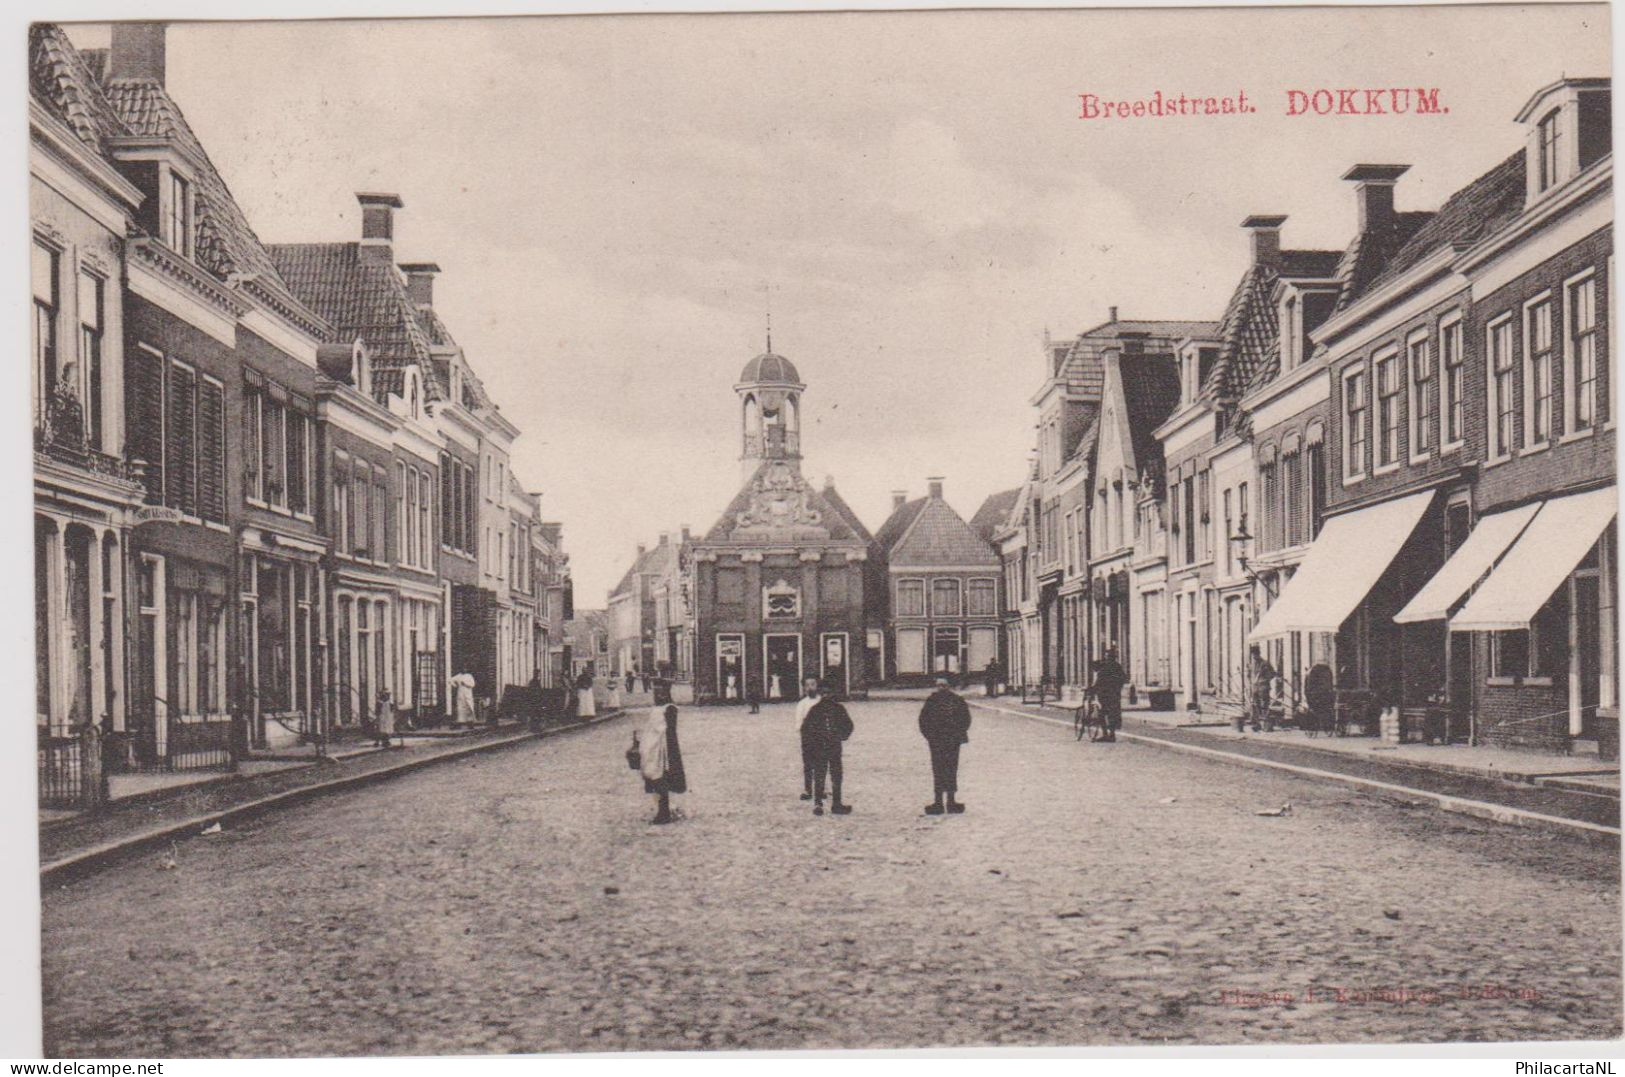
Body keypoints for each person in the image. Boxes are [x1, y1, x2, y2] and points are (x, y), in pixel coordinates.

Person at [918, 677, 972, 815]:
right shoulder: (931, 701)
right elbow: (923, 720)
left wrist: (958, 733)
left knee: (951, 769)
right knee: (938, 770)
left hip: (952, 741)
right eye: (938, 685)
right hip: (936, 741)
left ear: (949, 686)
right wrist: (930, 736)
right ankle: (938, 802)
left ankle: (951, 801)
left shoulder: (957, 701)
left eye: (944, 685)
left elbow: (966, 719)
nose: (941, 688)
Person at [803, 685, 854, 816]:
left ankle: (836, 803)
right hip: (820, 748)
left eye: (829, 692)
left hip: (833, 747)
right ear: (820, 694)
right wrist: (811, 744)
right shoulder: (815, 710)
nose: (826, 695)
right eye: (824, 693)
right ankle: (818, 803)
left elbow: (848, 725)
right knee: (820, 774)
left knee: (836, 775)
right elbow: (806, 729)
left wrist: (842, 736)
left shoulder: (839, 709)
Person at [640, 703, 687, 824]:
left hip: (662, 750)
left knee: (660, 778)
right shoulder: (658, 709)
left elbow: (669, 732)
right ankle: (663, 810)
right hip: (654, 747)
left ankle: (664, 812)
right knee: (655, 776)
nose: (658, 694)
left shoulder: (669, 709)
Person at [1090, 647, 1126, 742]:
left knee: (1102, 714)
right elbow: (1123, 679)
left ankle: (1106, 734)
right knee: (1112, 714)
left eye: (1107, 656)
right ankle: (1111, 734)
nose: (1106, 658)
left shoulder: (1105, 668)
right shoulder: (1117, 666)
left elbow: (1099, 681)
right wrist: (1118, 688)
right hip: (1114, 694)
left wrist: (1093, 690)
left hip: (1105, 695)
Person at [795, 676, 822, 801]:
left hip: (822, 737)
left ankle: (820, 789)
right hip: (808, 737)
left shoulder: (821, 701)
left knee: (821, 764)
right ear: (804, 688)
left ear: (817, 686)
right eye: (807, 685)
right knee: (808, 764)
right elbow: (798, 722)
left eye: (813, 684)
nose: (810, 687)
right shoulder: (802, 704)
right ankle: (808, 789)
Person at [1248, 647, 1276, 733]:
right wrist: (1251, 681)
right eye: (1253, 655)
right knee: (1255, 705)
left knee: (1264, 705)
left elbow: (1272, 673)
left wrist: (1265, 680)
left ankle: (1265, 724)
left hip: (1263, 687)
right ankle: (1256, 725)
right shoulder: (1251, 664)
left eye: (1255, 655)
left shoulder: (1265, 663)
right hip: (1255, 687)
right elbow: (1249, 675)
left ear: (1258, 654)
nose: (1254, 657)